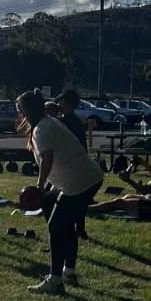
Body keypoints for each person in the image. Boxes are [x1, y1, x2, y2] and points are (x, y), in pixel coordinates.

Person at [16, 89, 103, 293]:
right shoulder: (50, 122)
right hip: (89, 176)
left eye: (21, 110)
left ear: (29, 109)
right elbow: (67, 152)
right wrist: (56, 186)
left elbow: (47, 157)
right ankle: (69, 274)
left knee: (56, 226)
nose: (20, 115)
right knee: (65, 227)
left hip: (79, 180)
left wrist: (40, 186)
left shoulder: (40, 129)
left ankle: (55, 281)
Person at [88, 151, 151, 221]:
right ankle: (95, 207)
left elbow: (144, 190)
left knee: (119, 203)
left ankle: (87, 209)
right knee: (127, 196)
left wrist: (128, 181)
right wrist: (142, 163)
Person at [55, 89, 90, 240]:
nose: (58, 104)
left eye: (60, 101)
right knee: (77, 200)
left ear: (67, 104)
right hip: (78, 163)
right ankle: (80, 230)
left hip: (74, 164)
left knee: (72, 200)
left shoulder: (67, 121)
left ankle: (69, 231)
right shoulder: (72, 120)